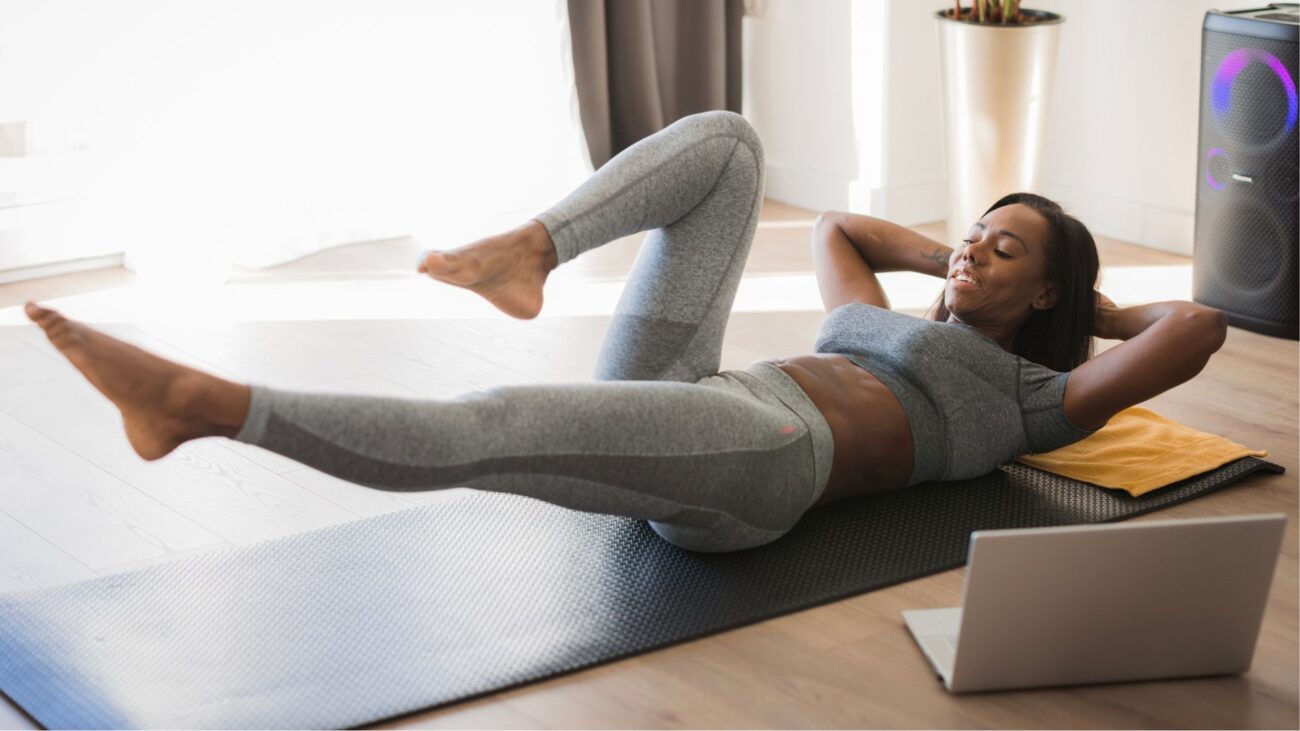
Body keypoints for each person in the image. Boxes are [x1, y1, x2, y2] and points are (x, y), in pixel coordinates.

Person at [22, 111, 1229, 553]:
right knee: (731, 144)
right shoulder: (875, 314)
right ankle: (532, 251)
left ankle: (206, 408)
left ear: (1045, 300)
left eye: (1003, 249)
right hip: (717, 391)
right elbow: (850, 229)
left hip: (767, 460)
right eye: (974, 228)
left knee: (497, 426)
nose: (970, 244)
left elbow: (1198, 324)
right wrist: (964, 256)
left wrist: (1091, 312)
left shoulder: (1031, 399)